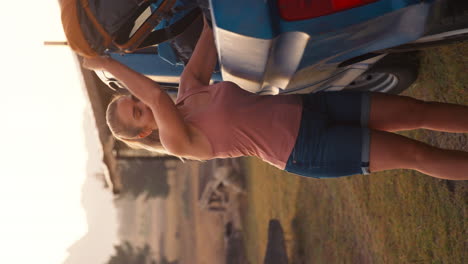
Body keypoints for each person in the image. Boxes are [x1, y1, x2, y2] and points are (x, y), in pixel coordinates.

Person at [83, 17, 468, 180]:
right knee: (417, 156)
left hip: (315, 106)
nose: (143, 103)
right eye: (137, 111)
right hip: (308, 148)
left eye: (135, 102)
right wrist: (106, 63)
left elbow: (212, 30)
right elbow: (153, 92)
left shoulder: (190, 87)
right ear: (140, 132)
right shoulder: (178, 141)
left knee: (418, 110)